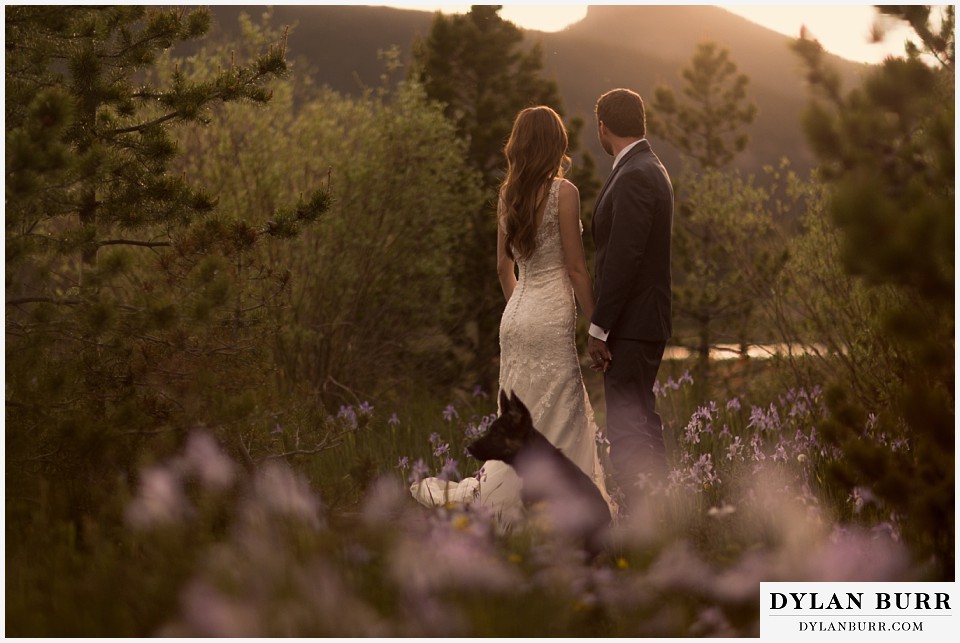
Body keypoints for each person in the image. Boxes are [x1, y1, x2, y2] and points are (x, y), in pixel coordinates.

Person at [411, 106, 614, 523]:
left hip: (517, 316)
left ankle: (505, 503)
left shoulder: (508, 194)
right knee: (556, 409)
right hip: (551, 314)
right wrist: (599, 327)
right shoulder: (564, 192)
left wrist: (520, 310)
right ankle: (561, 508)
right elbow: (576, 269)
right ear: (555, 144)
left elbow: (504, 269)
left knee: (516, 418)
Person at [585, 88, 674, 508]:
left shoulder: (637, 173)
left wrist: (599, 328)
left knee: (626, 426)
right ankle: (661, 511)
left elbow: (623, 259)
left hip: (632, 324)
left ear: (603, 127)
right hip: (642, 322)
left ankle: (644, 518)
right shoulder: (645, 166)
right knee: (641, 418)